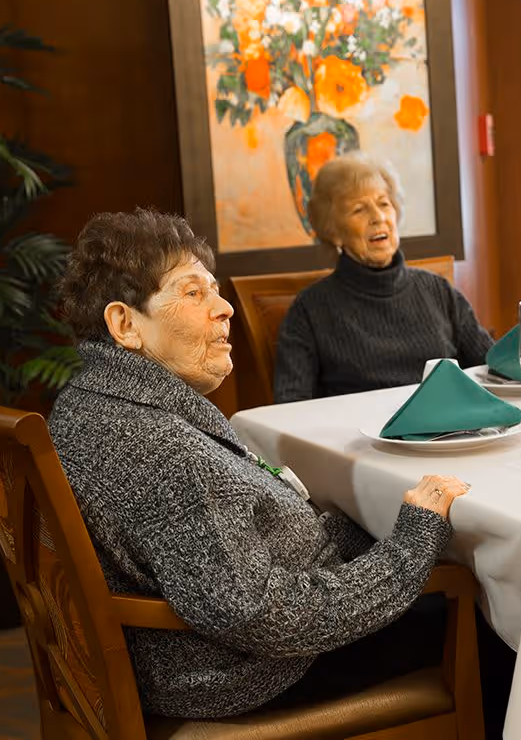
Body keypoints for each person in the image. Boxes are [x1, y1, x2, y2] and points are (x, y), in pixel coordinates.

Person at [49, 208, 471, 719]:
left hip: (197, 654)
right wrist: (410, 546)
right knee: (483, 613)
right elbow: (260, 615)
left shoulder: (86, 400)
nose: (224, 308)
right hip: (249, 672)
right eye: (193, 292)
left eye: (215, 290)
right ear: (124, 323)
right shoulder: (162, 449)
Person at [273, 153, 492, 402]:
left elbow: (492, 369)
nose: (378, 217)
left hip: (449, 434)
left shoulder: (438, 291)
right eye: (359, 209)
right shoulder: (309, 310)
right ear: (333, 231)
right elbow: (290, 405)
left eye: (384, 203)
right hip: (356, 439)